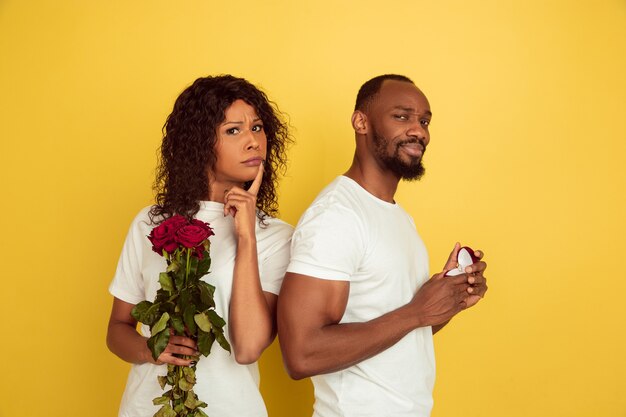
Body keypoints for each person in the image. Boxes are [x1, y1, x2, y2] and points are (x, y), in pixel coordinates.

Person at [277, 74, 488, 417]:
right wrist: (417, 311)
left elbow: (399, 330)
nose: (418, 130)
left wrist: (449, 298)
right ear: (361, 121)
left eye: (424, 121)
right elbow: (302, 354)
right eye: (401, 116)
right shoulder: (336, 215)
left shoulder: (396, 216)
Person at [107, 75, 293, 417]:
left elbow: (249, 347)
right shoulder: (149, 222)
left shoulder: (276, 235)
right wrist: (153, 349)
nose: (253, 141)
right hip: (146, 409)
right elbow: (117, 330)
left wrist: (247, 237)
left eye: (258, 127)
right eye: (233, 131)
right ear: (199, 142)